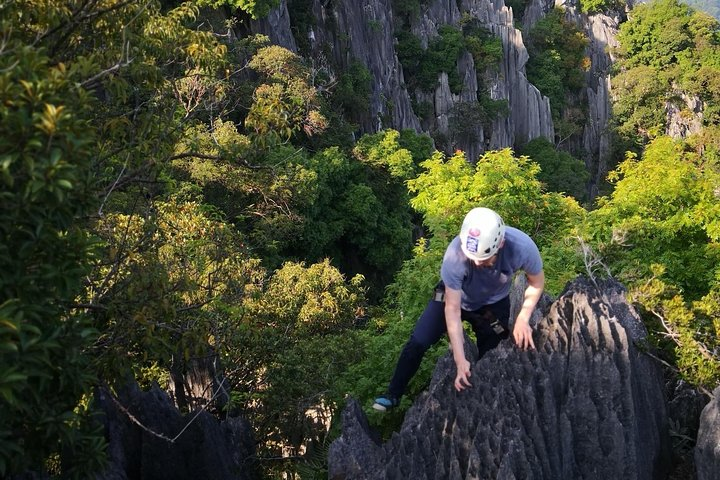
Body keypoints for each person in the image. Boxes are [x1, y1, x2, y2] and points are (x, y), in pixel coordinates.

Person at [373, 207, 545, 411]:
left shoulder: (522, 247)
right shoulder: (455, 255)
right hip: (453, 298)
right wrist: (460, 358)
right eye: (473, 257)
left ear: (500, 244)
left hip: (492, 305)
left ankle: (483, 402)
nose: (477, 263)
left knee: (493, 353)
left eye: (483, 259)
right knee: (418, 341)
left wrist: (523, 318)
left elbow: (536, 282)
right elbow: (452, 309)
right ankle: (393, 394)